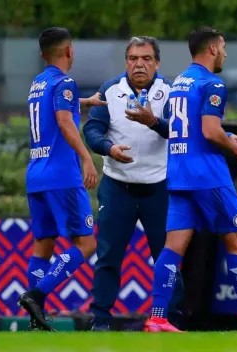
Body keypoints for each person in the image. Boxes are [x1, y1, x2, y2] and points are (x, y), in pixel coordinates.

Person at [126, 26, 237, 333]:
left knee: (173, 247)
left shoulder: (180, 83)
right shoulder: (213, 84)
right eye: (224, 47)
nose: (226, 53)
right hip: (207, 176)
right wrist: (235, 146)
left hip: (178, 174)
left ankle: (158, 318)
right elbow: (209, 132)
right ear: (213, 49)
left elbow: (190, 131)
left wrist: (230, 138)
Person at [83, 36, 184, 331]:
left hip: (159, 187)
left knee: (167, 257)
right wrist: (108, 148)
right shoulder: (110, 90)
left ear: (157, 63)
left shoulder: (171, 91)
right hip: (118, 186)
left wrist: (153, 121)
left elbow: (180, 132)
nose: (139, 64)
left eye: (147, 58)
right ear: (126, 62)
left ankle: (169, 318)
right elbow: (92, 129)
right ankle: (100, 320)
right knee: (108, 257)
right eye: (133, 58)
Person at [18, 27, 106, 331]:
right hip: (62, 176)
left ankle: (35, 320)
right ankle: (36, 295)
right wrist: (86, 157)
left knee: (43, 244)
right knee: (86, 243)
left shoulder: (38, 84)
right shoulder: (65, 82)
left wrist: (84, 102)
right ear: (69, 51)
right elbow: (63, 119)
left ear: (43, 54)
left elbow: (57, 105)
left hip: (36, 175)